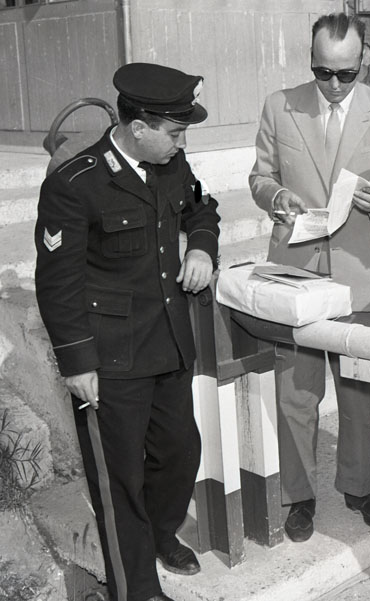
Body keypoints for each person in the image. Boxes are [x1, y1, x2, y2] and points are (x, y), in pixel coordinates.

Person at [35, 63, 220, 601]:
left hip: (168, 343)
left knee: (180, 453)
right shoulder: (75, 184)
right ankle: (136, 587)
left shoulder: (171, 162)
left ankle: (159, 535)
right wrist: (77, 364)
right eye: (175, 132)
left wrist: (202, 246)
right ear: (139, 127)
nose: (181, 142)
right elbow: (58, 283)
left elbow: (201, 208)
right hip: (110, 358)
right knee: (119, 484)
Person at [249, 12, 370, 542]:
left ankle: (358, 487)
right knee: (296, 391)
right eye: (323, 73)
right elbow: (260, 176)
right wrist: (276, 197)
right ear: (311, 62)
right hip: (296, 271)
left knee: (358, 389)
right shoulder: (279, 105)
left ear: (364, 62)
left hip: (359, 272)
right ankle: (299, 496)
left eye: (347, 73)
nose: (335, 85)